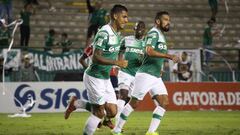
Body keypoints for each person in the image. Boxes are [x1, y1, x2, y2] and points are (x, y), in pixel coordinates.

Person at [112, 11, 180, 135]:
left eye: (168, 19)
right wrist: (169, 56)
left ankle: (151, 132)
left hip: (155, 76)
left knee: (164, 102)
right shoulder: (154, 33)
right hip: (146, 75)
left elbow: (147, 54)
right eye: (165, 19)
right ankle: (116, 129)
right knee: (134, 103)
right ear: (158, 21)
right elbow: (149, 51)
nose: (168, 22)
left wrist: (159, 67)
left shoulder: (160, 35)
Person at [65, 4, 128, 135]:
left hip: (105, 78)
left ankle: (77, 103)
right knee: (99, 113)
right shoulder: (105, 32)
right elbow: (96, 57)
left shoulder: (117, 35)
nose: (126, 20)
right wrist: (116, 62)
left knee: (112, 111)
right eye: (124, 16)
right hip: (94, 78)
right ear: (115, 16)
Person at [115, 21, 146, 125]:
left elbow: (148, 60)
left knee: (130, 101)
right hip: (125, 72)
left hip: (137, 75)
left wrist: (143, 61)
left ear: (144, 31)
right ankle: (116, 125)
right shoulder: (126, 39)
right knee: (123, 95)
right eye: (137, 28)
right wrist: (119, 63)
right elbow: (120, 50)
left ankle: (108, 114)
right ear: (134, 29)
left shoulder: (147, 43)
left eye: (141, 28)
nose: (139, 30)